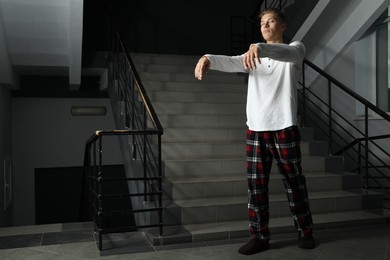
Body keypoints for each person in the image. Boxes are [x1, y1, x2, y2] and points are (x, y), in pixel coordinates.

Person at [194, 8, 315, 255]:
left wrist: (260, 47)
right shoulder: (253, 56)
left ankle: (305, 231)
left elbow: (288, 52)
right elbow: (231, 61)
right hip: (256, 129)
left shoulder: (295, 49)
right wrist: (207, 58)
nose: (266, 25)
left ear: (282, 26)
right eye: (262, 23)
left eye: (271, 22)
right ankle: (259, 236)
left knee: (294, 183)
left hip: (284, 127)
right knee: (256, 187)